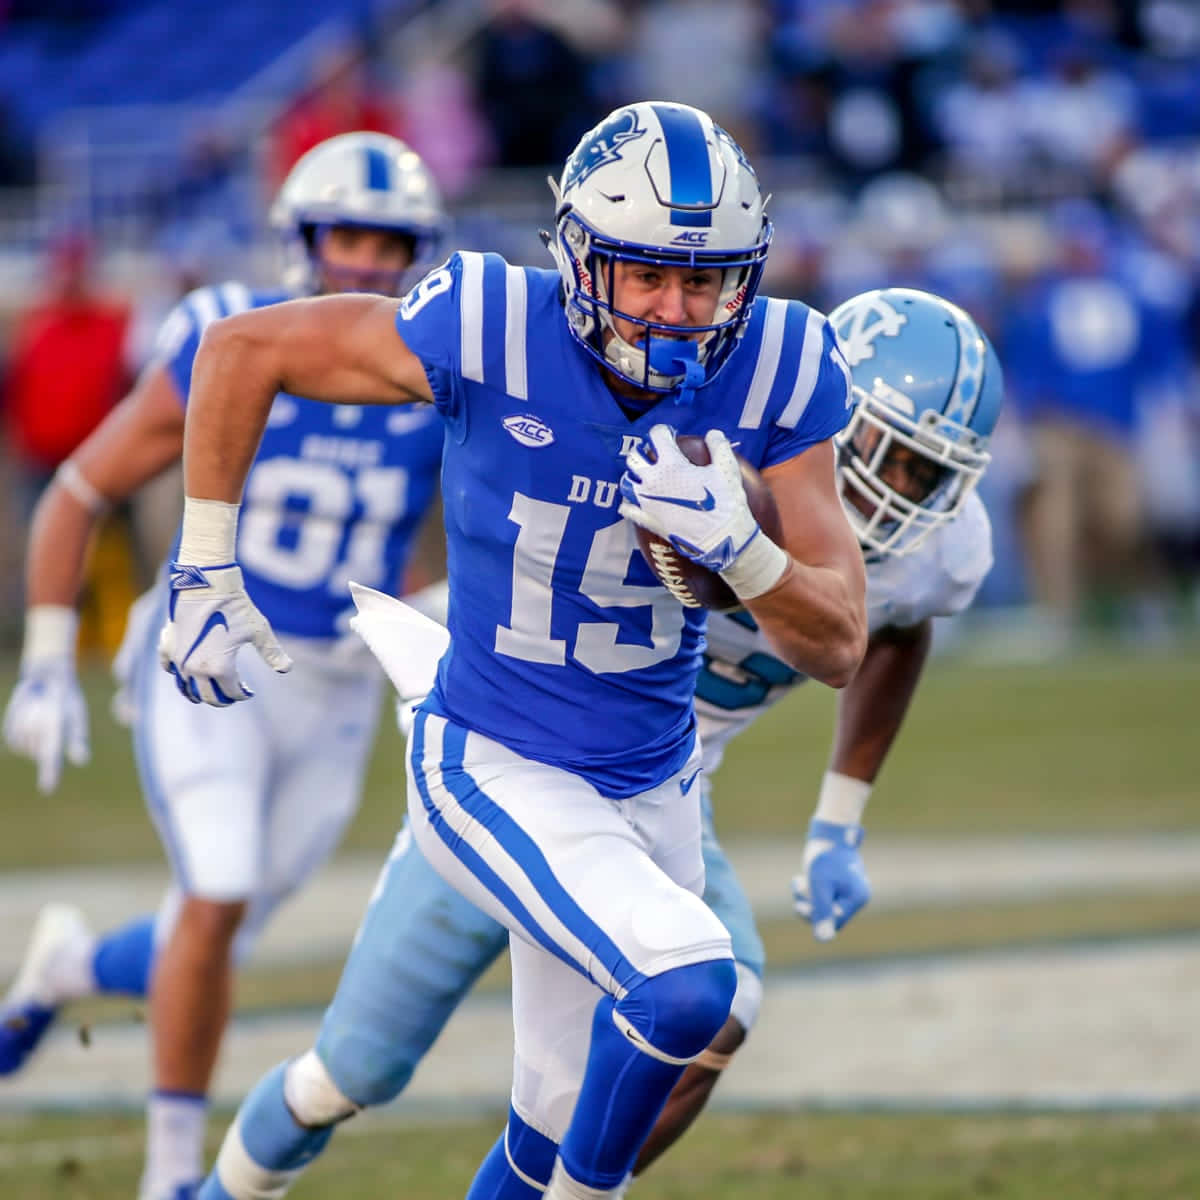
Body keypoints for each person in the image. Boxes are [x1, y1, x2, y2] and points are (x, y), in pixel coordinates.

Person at [161, 101, 867, 1200]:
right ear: (582, 260)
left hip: (654, 781)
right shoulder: (489, 319)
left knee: (547, 1125)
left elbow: (840, 641)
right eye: (645, 276)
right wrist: (204, 563)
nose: (678, 311)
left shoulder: (783, 359)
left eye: (707, 280)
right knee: (689, 986)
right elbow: (242, 346)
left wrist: (743, 553)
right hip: (496, 757)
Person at [184, 284, 1001, 1200]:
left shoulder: (939, 550)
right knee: (352, 1072)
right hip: (517, 755)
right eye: (887, 455)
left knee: (709, 1007)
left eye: (926, 477)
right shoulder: (705, 444)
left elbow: (889, 628)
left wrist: (839, 816)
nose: (898, 494)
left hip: (655, 792)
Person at [0, 131, 447, 1200]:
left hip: (334, 681)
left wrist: (434, 609)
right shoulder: (224, 335)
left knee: (215, 924)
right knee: (218, 891)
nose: (371, 264)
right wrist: (50, 654)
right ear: (303, 239)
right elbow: (80, 485)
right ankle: (168, 1176)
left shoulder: (438, 367)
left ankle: (67, 965)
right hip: (212, 663)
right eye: (351, 234)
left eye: (393, 243)